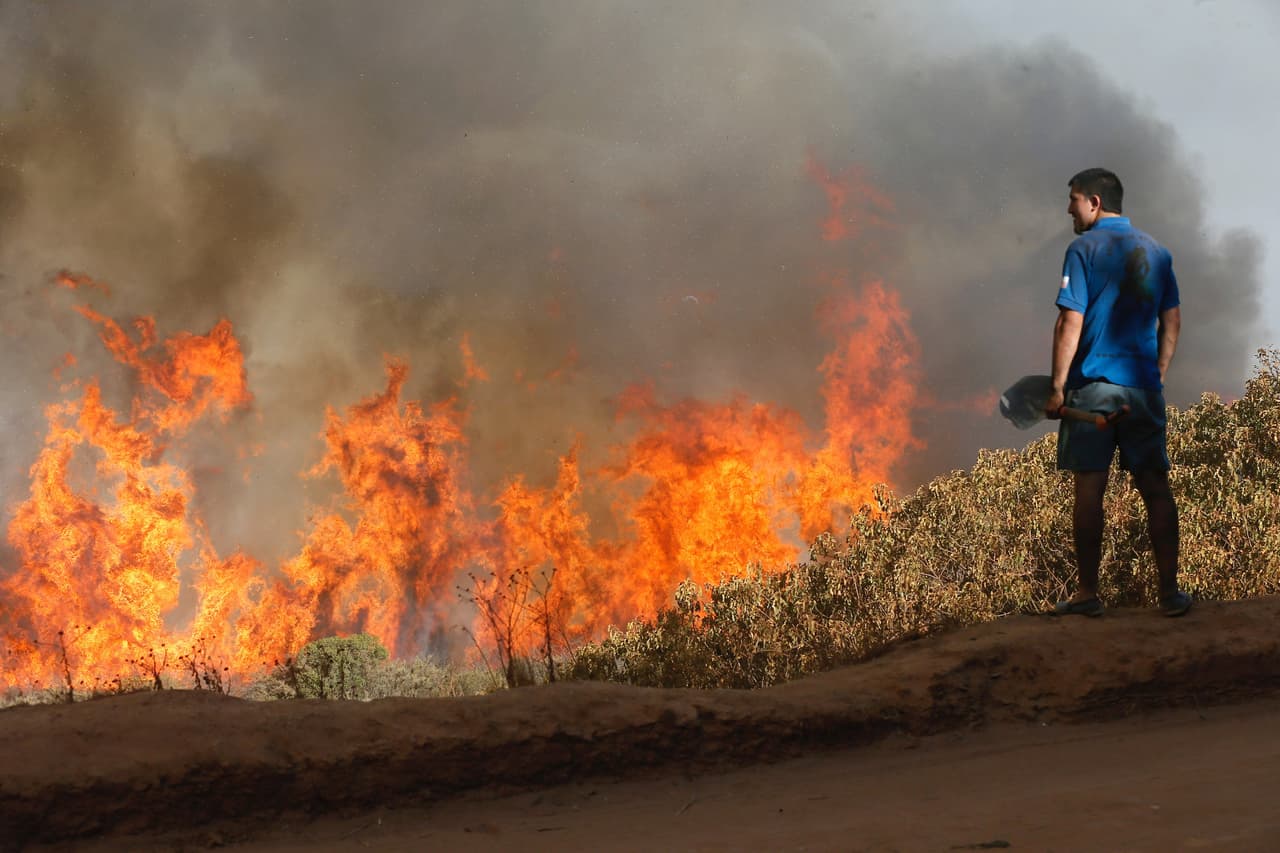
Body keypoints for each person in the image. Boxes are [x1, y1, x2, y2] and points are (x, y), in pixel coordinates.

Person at [1046, 167, 1191, 617]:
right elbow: (1173, 321)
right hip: (1142, 390)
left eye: (1073, 199)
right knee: (1155, 487)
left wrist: (1056, 386)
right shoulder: (1157, 252)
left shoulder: (1083, 248)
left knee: (1090, 489)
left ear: (1094, 202)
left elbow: (1070, 320)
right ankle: (1170, 594)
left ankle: (1088, 595)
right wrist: (1156, 373)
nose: (1069, 208)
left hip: (1093, 390)